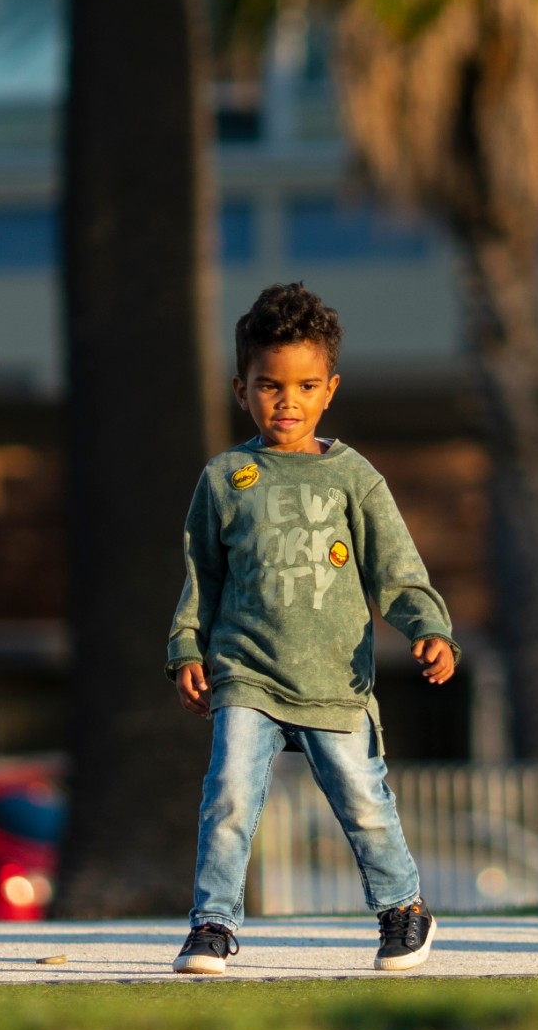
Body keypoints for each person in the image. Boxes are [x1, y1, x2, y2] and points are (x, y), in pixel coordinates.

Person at [167, 282, 458, 976]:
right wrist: (186, 646)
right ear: (241, 388)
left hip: (335, 680)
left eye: (303, 386)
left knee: (363, 800)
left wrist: (429, 626)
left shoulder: (352, 476)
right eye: (269, 385)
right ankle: (212, 924)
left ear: (330, 389)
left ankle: (403, 910)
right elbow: (201, 577)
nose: (286, 401)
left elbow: (397, 567)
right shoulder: (225, 477)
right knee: (229, 792)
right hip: (247, 673)